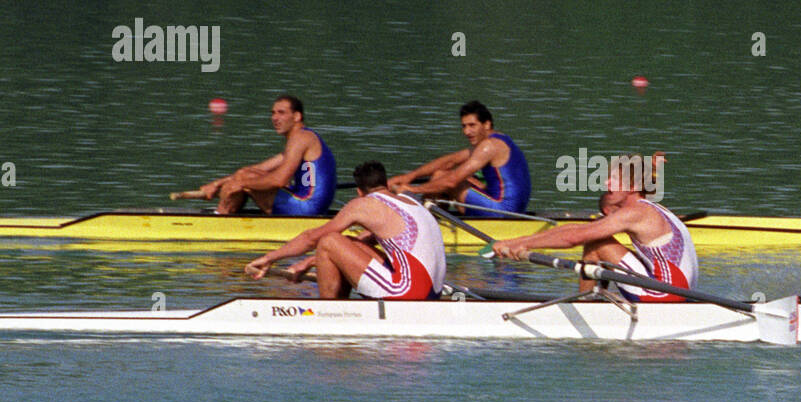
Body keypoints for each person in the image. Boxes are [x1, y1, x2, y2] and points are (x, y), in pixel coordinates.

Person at [492, 154, 697, 301]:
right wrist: (517, 242)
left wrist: (517, 244)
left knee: (596, 242)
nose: (607, 182)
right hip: (680, 292)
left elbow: (574, 238)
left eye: (614, 179)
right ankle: (596, 297)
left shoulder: (635, 212)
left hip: (665, 294)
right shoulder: (655, 208)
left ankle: (585, 304)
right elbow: (574, 230)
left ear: (633, 188)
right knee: (595, 238)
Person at [244, 161, 445, 300]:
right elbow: (357, 243)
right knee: (349, 242)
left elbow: (311, 238)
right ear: (385, 184)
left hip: (408, 293)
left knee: (329, 241)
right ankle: (343, 305)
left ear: (359, 192)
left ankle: (331, 312)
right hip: (431, 293)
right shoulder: (410, 201)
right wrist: (309, 262)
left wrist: (270, 257)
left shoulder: (363, 204)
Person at [195, 95, 336, 216]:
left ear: (297, 116)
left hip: (307, 208)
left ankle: (220, 218)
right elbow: (258, 168)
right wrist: (216, 184)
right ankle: (224, 215)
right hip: (309, 203)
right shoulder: (301, 140)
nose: (275, 118)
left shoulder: (301, 138)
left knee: (244, 178)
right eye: (273, 113)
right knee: (244, 174)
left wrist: (241, 184)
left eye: (281, 113)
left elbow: (279, 180)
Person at [390, 101, 531, 219]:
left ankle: (424, 221)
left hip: (503, 211)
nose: (466, 132)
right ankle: (435, 216)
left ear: (487, 125)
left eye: (472, 125)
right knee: (445, 173)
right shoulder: (498, 140)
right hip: (512, 208)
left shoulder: (489, 146)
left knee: (442, 177)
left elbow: (451, 181)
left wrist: (413, 189)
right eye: (464, 126)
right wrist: (409, 176)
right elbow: (450, 161)